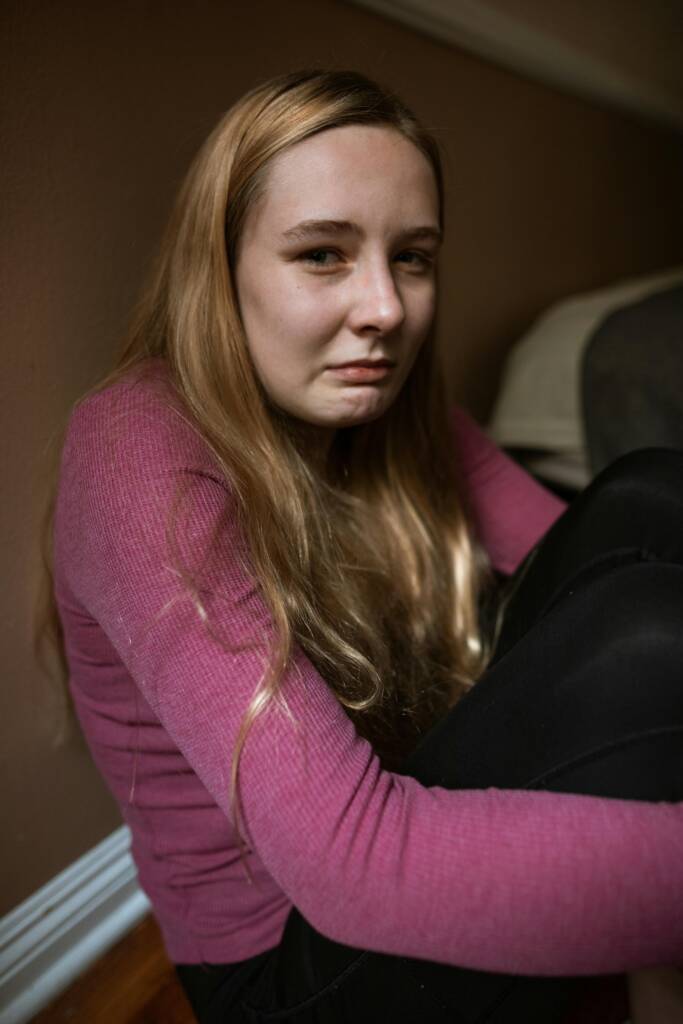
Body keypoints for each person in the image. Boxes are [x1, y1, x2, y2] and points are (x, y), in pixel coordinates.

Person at [42, 70, 683, 1023]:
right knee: (644, 633)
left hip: (386, 818)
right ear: (217, 272)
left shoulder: (383, 398)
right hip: (289, 954)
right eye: (322, 255)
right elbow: (351, 865)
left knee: (648, 487)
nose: (385, 308)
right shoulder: (135, 452)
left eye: (412, 257)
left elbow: (594, 553)